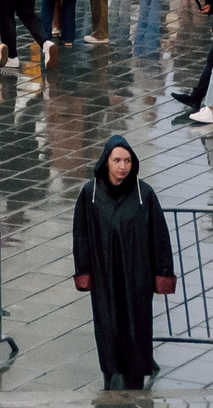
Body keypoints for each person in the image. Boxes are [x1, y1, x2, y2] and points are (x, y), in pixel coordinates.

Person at [72, 135, 177, 390]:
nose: (123, 166)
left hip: (137, 273)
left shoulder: (144, 193)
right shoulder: (90, 193)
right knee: (107, 323)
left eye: (127, 160)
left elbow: (159, 236)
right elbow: (81, 235)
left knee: (137, 322)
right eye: (117, 160)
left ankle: (136, 373)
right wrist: (83, 270)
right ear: (106, 162)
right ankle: (111, 371)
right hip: (105, 273)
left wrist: (163, 272)